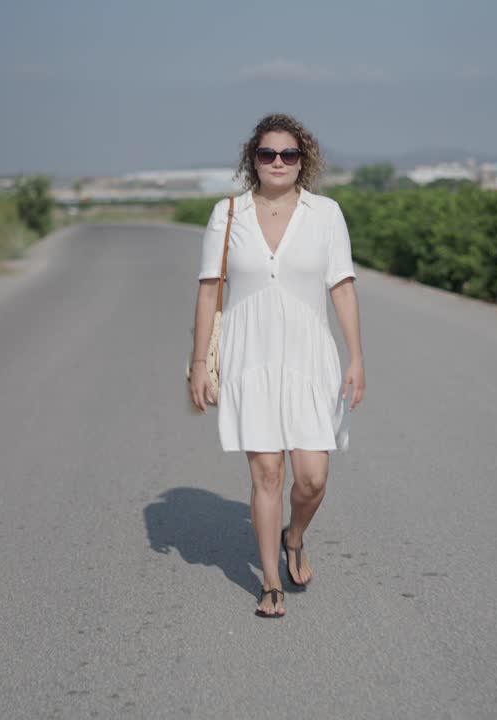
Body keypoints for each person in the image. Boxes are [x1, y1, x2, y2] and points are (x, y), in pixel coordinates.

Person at [189, 113, 366, 618]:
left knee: (312, 478)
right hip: (250, 356)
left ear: (302, 160)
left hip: (310, 359)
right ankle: (270, 581)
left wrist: (356, 357)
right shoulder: (228, 215)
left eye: (289, 154)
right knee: (267, 472)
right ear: (254, 160)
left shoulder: (325, 214)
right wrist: (200, 362)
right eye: (268, 154)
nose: (278, 162)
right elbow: (209, 290)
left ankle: (295, 535)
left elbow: (342, 287)